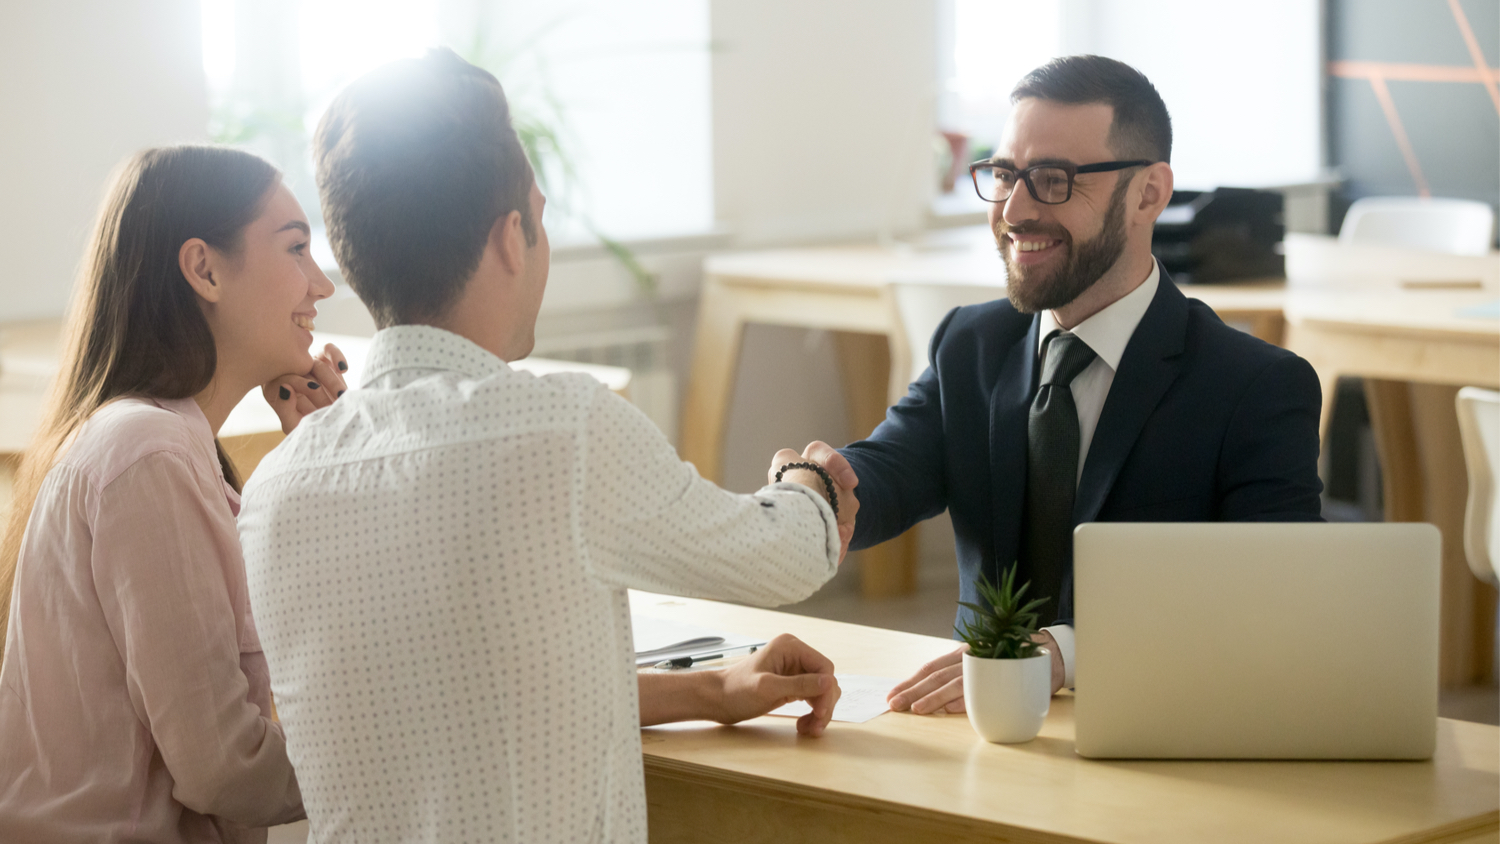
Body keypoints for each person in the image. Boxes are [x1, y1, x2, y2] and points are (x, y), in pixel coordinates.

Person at [235, 48, 856, 844]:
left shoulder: (275, 488)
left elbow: (466, 692)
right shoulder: (565, 431)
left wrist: (711, 688)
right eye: (541, 216)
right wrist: (807, 481)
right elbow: (788, 557)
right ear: (509, 237)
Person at [774, 55, 1323, 716]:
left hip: (1159, 727)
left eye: (1054, 180)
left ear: (1149, 193)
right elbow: (889, 470)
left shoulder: (1256, 389)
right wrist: (819, 485)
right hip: (975, 726)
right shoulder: (972, 343)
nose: (1015, 210)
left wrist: (1064, 654)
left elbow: (1274, 602)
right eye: (1004, 174)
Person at [0, 145, 352, 842]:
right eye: (296, 249)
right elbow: (225, 767)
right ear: (204, 269)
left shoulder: (164, 447)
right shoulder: (148, 455)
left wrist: (313, 467)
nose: (322, 285)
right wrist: (396, 754)